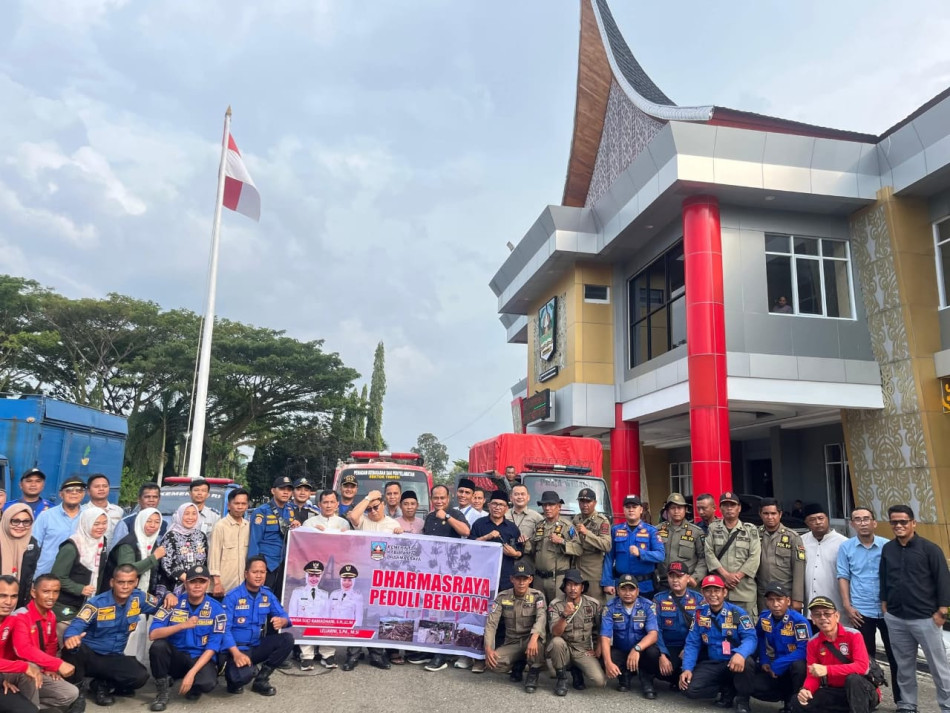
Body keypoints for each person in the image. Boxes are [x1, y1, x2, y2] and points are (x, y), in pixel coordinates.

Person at [880, 504, 950, 713]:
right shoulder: (888, 549)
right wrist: (884, 604)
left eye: (903, 521)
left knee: (938, 667)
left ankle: (947, 706)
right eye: (894, 522)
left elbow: (943, 580)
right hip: (896, 617)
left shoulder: (930, 549)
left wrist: (942, 611)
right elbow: (883, 578)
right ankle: (908, 704)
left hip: (925, 618)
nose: (899, 525)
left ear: (913, 523)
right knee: (904, 665)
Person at [61, 564, 160, 705]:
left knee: (140, 676)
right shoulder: (97, 603)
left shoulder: (140, 599)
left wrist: (168, 596)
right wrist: (71, 637)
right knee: (72, 648)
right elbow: (77, 624)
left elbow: (162, 607)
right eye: (121, 582)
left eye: (130, 582)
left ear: (136, 582)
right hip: (91, 656)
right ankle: (77, 694)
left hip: (114, 656)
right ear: (112, 582)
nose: (125, 586)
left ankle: (102, 685)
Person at [836, 507, 901, 702]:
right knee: (865, 658)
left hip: (888, 610)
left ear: (875, 522)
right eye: (858, 519)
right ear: (852, 524)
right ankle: (871, 698)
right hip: (860, 611)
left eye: (866, 519)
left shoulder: (887, 546)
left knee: (896, 656)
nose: (863, 523)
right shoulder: (846, 547)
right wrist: (847, 606)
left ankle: (902, 700)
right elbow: (843, 576)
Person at [147, 564, 226, 710]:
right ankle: (162, 692)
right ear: (186, 583)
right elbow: (153, 634)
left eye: (201, 582)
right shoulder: (172, 602)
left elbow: (212, 647)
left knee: (207, 683)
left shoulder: (217, 609)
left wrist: (192, 673)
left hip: (199, 658)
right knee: (158, 646)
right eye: (193, 581)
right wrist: (182, 625)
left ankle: (192, 685)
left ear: (208, 583)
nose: (197, 586)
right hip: (177, 658)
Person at [679, 574, 757, 707]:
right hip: (713, 662)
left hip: (734, 661)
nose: (712, 594)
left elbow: (751, 638)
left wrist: (741, 654)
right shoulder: (699, 614)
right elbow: (693, 643)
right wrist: (687, 668)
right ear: (703, 593)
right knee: (688, 688)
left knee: (748, 663)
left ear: (724, 592)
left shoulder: (737, 612)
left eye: (716, 590)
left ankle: (743, 701)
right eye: (708, 591)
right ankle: (725, 689)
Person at [792, 596, 879, 713]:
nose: (823, 618)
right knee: (798, 701)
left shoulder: (854, 635)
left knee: (853, 679)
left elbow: (862, 667)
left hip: (863, 691)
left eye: (827, 614)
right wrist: (806, 689)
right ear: (813, 619)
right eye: (817, 615)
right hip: (835, 690)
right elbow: (812, 675)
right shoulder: (813, 642)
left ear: (837, 616)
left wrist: (827, 670)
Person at [221, 555, 294, 696]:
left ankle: (261, 680)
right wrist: (235, 654)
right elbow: (224, 629)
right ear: (246, 573)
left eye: (262, 572)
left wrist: (283, 621)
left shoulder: (267, 594)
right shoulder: (232, 597)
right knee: (240, 679)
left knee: (287, 639)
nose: (259, 576)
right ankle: (233, 676)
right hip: (236, 648)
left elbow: (285, 616)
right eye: (255, 572)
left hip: (256, 645)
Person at [105, 507, 168, 666]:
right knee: (123, 638)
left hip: (141, 598)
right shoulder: (129, 543)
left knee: (138, 636)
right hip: (121, 598)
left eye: (157, 522)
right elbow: (127, 571)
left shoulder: (152, 543)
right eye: (149, 521)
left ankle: (133, 672)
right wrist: (154, 557)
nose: (152, 525)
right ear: (140, 522)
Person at [734, 581, 811, 713]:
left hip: (789, 669)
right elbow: (759, 637)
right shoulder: (765, 617)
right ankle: (742, 701)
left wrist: (779, 664)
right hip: (772, 667)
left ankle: (792, 704)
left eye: (779, 599)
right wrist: (764, 660)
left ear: (788, 601)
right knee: (747, 663)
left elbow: (804, 650)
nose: (775, 604)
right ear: (766, 602)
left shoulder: (799, 621)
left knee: (799, 665)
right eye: (771, 600)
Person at [11, 574, 81, 711]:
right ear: (33, 592)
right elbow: (23, 649)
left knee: (70, 694)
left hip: (39, 670)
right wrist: (57, 664)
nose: (51, 597)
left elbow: (51, 644)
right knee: (29, 668)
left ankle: (28, 705)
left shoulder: (51, 616)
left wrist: (50, 668)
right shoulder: (20, 616)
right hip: (16, 672)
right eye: (46, 591)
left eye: (56, 592)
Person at [483, 560, 546, 693]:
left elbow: (541, 618)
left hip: (530, 640)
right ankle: (519, 662)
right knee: (493, 664)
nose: (521, 582)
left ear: (530, 579)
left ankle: (533, 673)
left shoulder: (537, 596)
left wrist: (534, 638)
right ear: (512, 579)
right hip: (512, 642)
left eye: (525, 578)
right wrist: (488, 648)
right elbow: (491, 623)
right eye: (518, 578)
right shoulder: (502, 597)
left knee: (538, 643)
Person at [601, 573, 661, 699]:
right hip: (621, 649)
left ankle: (647, 680)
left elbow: (653, 634)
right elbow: (605, 636)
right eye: (623, 589)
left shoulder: (647, 606)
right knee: (606, 655)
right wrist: (608, 663)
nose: (627, 593)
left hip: (641, 651)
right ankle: (624, 675)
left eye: (631, 589)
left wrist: (637, 649)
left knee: (653, 652)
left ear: (637, 591)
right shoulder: (611, 607)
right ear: (617, 590)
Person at [546, 569, 604, 695]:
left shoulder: (593, 604)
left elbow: (601, 629)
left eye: (576, 585)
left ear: (582, 587)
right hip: (563, 648)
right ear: (564, 587)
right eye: (569, 584)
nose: (573, 589)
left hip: (582, 649)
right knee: (556, 642)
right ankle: (562, 679)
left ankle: (576, 669)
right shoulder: (556, 605)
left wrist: (598, 647)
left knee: (600, 681)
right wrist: (564, 615)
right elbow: (555, 633)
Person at [705, 491, 761, 615]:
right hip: (719, 588)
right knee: (719, 627)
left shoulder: (750, 530)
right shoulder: (713, 528)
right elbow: (709, 553)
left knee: (746, 627)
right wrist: (726, 575)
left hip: (744, 589)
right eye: (725, 505)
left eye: (733, 505)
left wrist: (737, 577)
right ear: (720, 508)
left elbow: (755, 556)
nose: (729, 508)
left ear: (739, 508)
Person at [51, 507, 109, 623]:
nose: (101, 527)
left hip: (89, 604)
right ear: (86, 524)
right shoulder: (71, 547)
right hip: (66, 605)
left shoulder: (102, 542)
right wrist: (79, 589)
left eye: (104, 523)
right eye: (96, 524)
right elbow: (57, 578)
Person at [602, 494, 664, 600]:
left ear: (641, 510)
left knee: (645, 615)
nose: (631, 510)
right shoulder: (615, 530)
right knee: (621, 615)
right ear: (624, 510)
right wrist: (607, 582)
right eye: (628, 507)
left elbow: (660, 555)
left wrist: (641, 553)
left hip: (645, 586)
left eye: (634, 507)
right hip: (622, 585)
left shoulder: (651, 531)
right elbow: (609, 557)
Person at [525, 490, 581, 605]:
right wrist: (525, 542)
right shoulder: (539, 525)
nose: (547, 508)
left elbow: (578, 549)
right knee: (538, 609)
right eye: (544, 505)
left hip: (557, 579)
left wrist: (562, 541)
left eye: (551, 505)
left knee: (557, 610)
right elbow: (532, 550)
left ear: (559, 507)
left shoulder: (567, 526)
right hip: (539, 578)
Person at [654, 561, 704, 687]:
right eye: (672, 576)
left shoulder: (698, 600)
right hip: (668, 646)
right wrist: (662, 654)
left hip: (689, 646)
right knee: (650, 654)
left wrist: (688, 647)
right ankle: (648, 681)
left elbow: (702, 629)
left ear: (688, 578)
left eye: (679, 576)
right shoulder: (659, 599)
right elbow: (656, 629)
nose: (675, 580)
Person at [0, 575, 43, 713]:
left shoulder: (13, 619)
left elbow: (25, 648)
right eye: (2, 596)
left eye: (13, 596)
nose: (8, 602)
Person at [801, 503, 848, 623]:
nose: (818, 522)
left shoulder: (843, 543)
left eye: (821, 518)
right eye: (812, 519)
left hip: (835, 604)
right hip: (810, 606)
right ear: (806, 523)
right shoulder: (801, 541)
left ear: (827, 518)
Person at [756, 497, 806, 612]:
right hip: (763, 595)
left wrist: (798, 598)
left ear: (780, 514)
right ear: (760, 514)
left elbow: (799, 568)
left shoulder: (792, 537)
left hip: (784, 595)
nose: (770, 517)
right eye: (766, 513)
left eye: (773, 513)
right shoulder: (755, 535)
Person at [32, 475, 86, 579]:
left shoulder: (88, 517)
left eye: (79, 490)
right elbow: (34, 546)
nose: (74, 493)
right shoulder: (46, 516)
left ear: (83, 494)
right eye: (69, 490)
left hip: (75, 577)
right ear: (61, 494)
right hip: (46, 574)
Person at [248, 476, 294, 596]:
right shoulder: (261, 512)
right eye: (282, 489)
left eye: (289, 490)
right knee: (261, 598)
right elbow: (254, 541)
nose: (285, 492)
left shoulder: (290, 510)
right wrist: (253, 568)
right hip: (267, 564)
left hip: (284, 564)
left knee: (280, 598)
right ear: (273, 491)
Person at [470, 491, 524, 585]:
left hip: (505, 575)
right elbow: (470, 546)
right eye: (494, 504)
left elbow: (521, 551)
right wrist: (486, 537)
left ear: (506, 508)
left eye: (501, 505)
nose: (497, 507)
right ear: (489, 505)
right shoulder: (479, 524)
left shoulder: (512, 528)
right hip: (482, 574)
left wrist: (514, 553)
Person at [657, 492, 707, 589]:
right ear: (667, 510)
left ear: (686, 509)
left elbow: (703, 559)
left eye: (679, 508)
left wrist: (695, 577)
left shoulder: (696, 532)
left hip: (688, 584)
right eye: (672, 508)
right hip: (664, 583)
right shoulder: (657, 530)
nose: (676, 511)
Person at [157, 503, 208, 595]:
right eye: (186, 513)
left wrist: (197, 581)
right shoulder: (171, 536)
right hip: (174, 587)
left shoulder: (201, 536)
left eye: (194, 514)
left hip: (198, 586)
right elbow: (167, 564)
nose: (190, 517)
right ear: (180, 515)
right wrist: (187, 579)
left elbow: (205, 562)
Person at [571, 488, 612, 602]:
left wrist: (587, 533)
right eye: (582, 502)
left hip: (593, 573)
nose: (584, 505)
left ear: (595, 503)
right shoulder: (576, 519)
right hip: (576, 569)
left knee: (595, 606)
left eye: (588, 502)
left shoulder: (602, 521)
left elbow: (607, 545)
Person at [209, 488, 250, 597]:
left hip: (243, 587)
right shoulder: (220, 526)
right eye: (236, 503)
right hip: (224, 587)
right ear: (229, 505)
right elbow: (214, 555)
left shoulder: (248, 526)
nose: (240, 507)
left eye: (243, 503)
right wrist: (217, 583)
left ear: (247, 506)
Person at [287, 560, 328, 671]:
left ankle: (327, 655)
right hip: (303, 628)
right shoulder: (297, 592)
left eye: (317, 575)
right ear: (306, 575)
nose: (314, 578)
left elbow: (327, 614)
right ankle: (307, 657)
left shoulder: (325, 594)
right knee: (304, 631)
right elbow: (292, 612)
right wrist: (294, 627)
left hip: (320, 627)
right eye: (311, 575)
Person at [332, 565, 372, 672]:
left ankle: (353, 657)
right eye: (344, 580)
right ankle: (327, 656)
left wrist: (356, 629)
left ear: (354, 581)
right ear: (341, 580)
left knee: (356, 634)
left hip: (350, 627)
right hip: (333, 626)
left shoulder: (357, 596)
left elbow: (358, 615)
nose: (347, 583)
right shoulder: (334, 594)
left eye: (350, 580)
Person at [0, 503, 41, 608]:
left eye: (26, 522)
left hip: (20, 605)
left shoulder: (33, 544)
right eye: (15, 521)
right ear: (6, 520)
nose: (21, 526)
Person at [108, 483, 165, 554]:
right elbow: (115, 551)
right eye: (147, 497)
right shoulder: (126, 523)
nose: (151, 500)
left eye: (155, 497)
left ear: (159, 500)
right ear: (139, 499)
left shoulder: (163, 524)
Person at [83, 474, 124, 543]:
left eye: (105, 486)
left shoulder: (118, 511)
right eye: (97, 486)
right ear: (88, 491)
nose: (101, 489)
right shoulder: (83, 511)